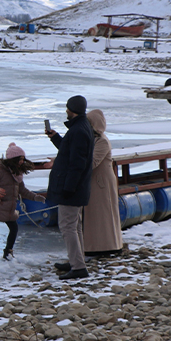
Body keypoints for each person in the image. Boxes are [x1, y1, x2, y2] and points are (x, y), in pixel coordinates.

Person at [45, 95, 95, 280]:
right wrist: (56, 138)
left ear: (71, 109)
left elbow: (77, 164)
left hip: (72, 190)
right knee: (75, 226)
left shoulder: (79, 131)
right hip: (76, 188)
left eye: (67, 108)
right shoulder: (80, 128)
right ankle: (76, 260)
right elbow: (69, 152)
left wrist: (68, 188)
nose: (66, 111)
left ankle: (78, 267)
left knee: (67, 227)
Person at [82, 109, 123, 256]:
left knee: (105, 214)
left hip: (102, 182)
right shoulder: (93, 139)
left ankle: (109, 245)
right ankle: (94, 246)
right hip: (95, 180)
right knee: (95, 215)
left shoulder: (102, 141)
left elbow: (92, 162)